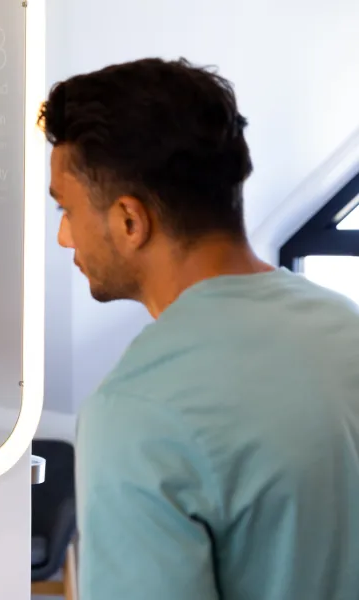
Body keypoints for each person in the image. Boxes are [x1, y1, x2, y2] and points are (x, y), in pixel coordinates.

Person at [39, 58, 359, 599]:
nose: (65, 238)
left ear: (129, 221)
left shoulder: (136, 412)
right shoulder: (346, 325)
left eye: (66, 210)